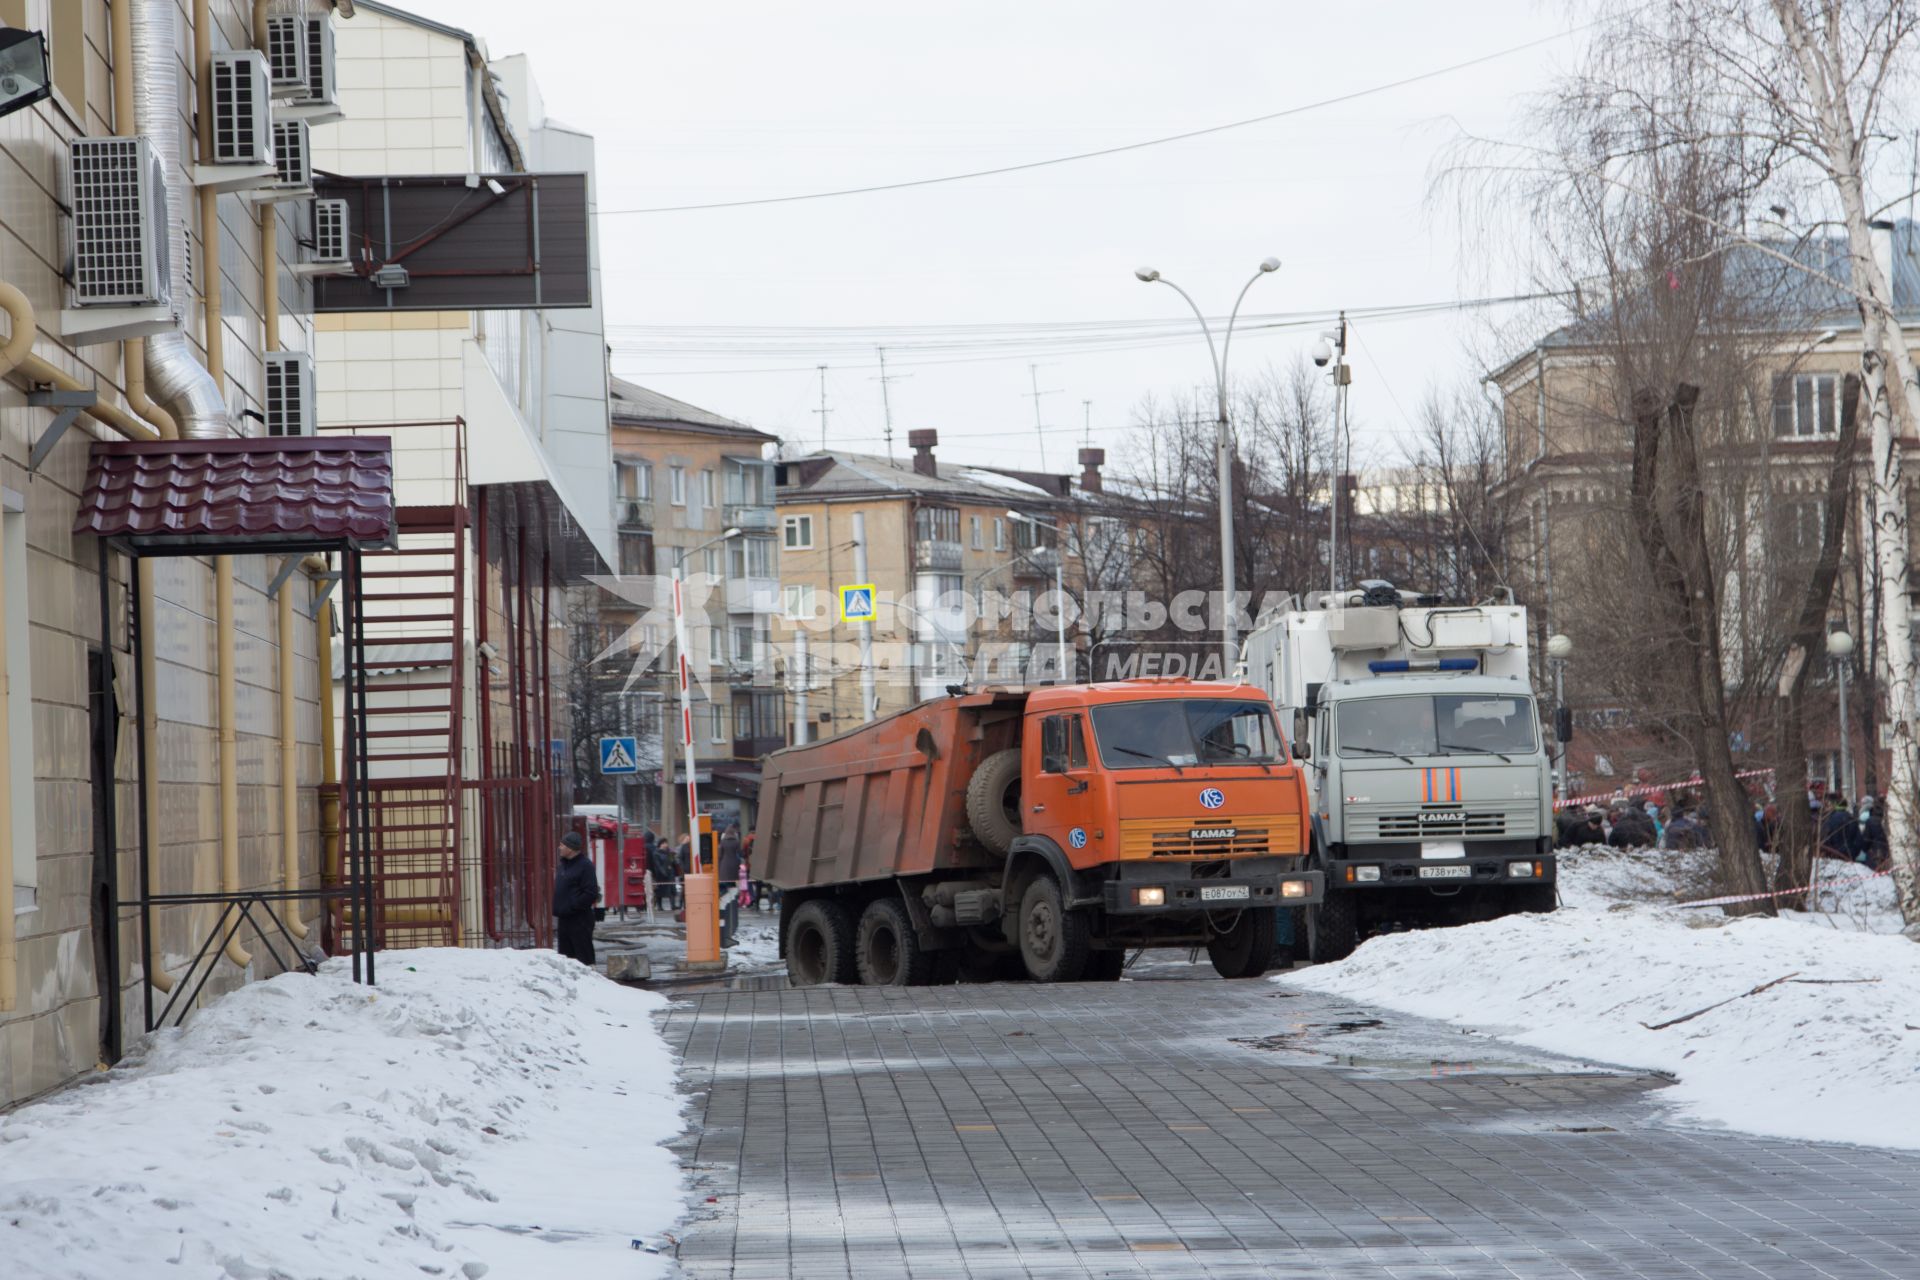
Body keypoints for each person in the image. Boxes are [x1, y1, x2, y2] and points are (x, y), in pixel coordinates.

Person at [552, 831, 600, 966]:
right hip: (564, 919)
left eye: (562, 845)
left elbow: (591, 893)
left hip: (579, 919)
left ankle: (591, 984)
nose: (559, 848)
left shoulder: (585, 866)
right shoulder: (563, 867)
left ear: (571, 848)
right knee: (566, 960)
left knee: (583, 958)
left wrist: (572, 906)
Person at [717, 822, 743, 947]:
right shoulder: (737, 842)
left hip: (724, 868)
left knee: (724, 893)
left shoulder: (722, 843)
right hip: (734, 867)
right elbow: (741, 854)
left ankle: (724, 931)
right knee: (732, 891)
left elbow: (719, 856)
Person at [1818, 795, 1861, 862]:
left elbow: (1826, 837)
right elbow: (1858, 839)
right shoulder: (1852, 819)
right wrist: (1855, 852)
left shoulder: (1830, 819)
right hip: (1850, 854)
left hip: (1834, 854)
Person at [647, 828, 676, 911]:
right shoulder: (656, 853)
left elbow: (672, 862)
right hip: (661, 875)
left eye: (666, 843)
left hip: (670, 873)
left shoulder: (669, 852)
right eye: (663, 843)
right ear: (660, 844)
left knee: (671, 890)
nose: (665, 845)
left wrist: (672, 856)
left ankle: (673, 905)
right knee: (660, 891)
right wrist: (663, 872)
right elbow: (657, 864)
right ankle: (660, 906)